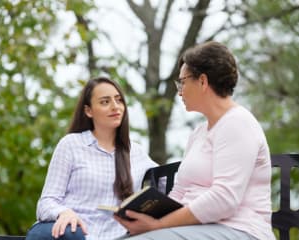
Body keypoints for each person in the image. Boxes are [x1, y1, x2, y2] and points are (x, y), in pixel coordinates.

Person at [114, 41, 275, 240]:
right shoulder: (199, 133)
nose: (179, 90)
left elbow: (224, 199)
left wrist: (158, 225)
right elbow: (180, 191)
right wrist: (148, 217)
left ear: (202, 81)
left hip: (239, 230)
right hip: (193, 229)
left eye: (182, 81)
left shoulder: (238, 123)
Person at [26, 77, 157, 240]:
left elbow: (170, 185)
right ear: (88, 111)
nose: (115, 106)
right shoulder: (71, 145)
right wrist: (64, 213)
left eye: (119, 100)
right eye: (105, 102)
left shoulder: (136, 152)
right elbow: (46, 203)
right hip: (72, 234)